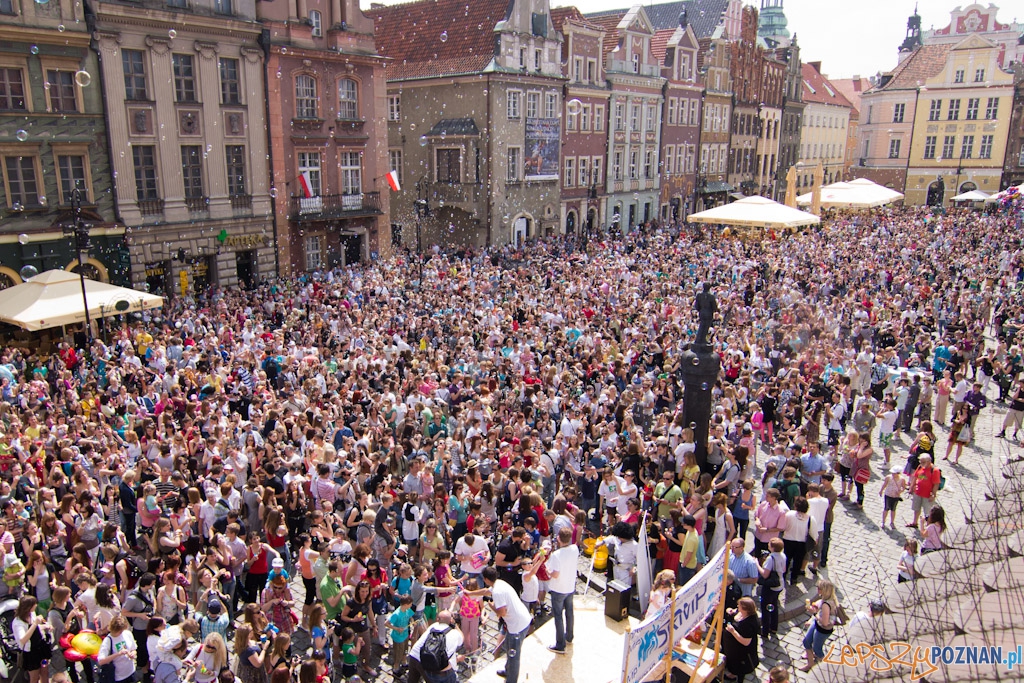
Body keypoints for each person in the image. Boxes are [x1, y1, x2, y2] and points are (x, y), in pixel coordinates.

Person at [479, 566, 532, 683]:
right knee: (509, 649)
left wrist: (492, 607)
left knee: (514, 656)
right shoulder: (499, 583)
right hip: (520, 621)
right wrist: (471, 593)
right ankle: (508, 671)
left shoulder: (497, 592)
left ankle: (511, 680)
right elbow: (486, 591)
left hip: (517, 626)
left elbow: (502, 613)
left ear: (487, 579)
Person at [544, 527, 579, 654]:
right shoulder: (575, 549)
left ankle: (560, 644)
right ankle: (569, 636)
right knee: (569, 612)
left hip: (558, 589)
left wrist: (547, 570)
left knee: (558, 616)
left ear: (558, 538)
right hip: (570, 586)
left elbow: (555, 574)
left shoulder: (556, 555)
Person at [407, 610, 463, 683]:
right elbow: (461, 639)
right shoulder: (454, 633)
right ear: (451, 620)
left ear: (438, 619)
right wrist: (455, 624)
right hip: (432, 665)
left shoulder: (433, 626)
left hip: (415, 655)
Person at [799, 580, 839, 672]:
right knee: (806, 642)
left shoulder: (826, 605)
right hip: (817, 625)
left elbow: (824, 622)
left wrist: (814, 614)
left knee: (817, 649)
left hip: (822, 629)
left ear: (824, 590)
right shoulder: (827, 599)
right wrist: (814, 607)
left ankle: (823, 668)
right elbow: (819, 603)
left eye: (819, 588)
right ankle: (810, 664)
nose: (817, 589)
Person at [13, 595, 53, 683]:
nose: (36, 605)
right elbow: (23, 640)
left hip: (41, 648)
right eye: (34, 604)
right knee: (34, 677)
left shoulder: (32, 614)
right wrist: (35, 623)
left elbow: (36, 629)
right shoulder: (18, 622)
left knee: (45, 672)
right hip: (31, 653)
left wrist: (45, 626)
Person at [721, 597, 759, 682]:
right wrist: (730, 610)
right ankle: (732, 674)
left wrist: (733, 631)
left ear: (746, 609)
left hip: (742, 651)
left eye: (739, 606)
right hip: (733, 647)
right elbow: (735, 612)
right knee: (732, 662)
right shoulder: (741, 612)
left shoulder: (750, 623)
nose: (737, 606)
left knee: (740, 667)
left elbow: (746, 642)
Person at [758, 538, 786, 638]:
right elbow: (784, 569)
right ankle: (774, 628)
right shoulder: (783, 555)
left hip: (770, 586)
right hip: (780, 584)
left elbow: (765, 575)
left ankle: (765, 631)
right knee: (774, 605)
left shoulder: (771, 558)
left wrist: (758, 564)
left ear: (772, 547)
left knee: (765, 608)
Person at [97, 616, 137, 683]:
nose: (122, 632)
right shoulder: (108, 641)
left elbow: (134, 649)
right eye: (120, 631)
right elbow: (101, 661)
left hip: (131, 671)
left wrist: (133, 653)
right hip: (118, 677)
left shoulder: (127, 633)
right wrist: (118, 654)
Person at [907, 455, 941, 529]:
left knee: (928, 512)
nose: (921, 463)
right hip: (917, 492)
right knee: (916, 508)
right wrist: (911, 487)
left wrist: (933, 495)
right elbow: (915, 477)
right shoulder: (920, 466)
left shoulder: (934, 470)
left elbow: (936, 484)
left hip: (927, 495)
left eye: (923, 462)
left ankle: (929, 527)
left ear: (929, 461)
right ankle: (914, 523)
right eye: (920, 461)